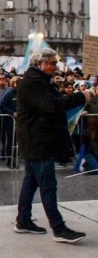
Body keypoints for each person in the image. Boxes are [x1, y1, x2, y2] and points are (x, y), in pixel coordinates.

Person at [15, 48, 90, 243]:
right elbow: (52, 105)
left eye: (55, 63)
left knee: (31, 182)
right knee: (48, 185)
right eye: (51, 63)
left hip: (36, 140)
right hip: (37, 141)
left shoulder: (39, 81)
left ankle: (23, 220)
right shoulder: (33, 83)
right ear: (39, 64)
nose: (54, 67)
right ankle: (59, 228)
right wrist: (82, 96)